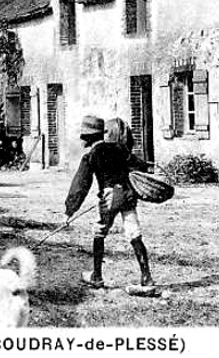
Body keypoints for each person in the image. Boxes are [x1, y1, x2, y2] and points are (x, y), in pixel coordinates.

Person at [64, 115, 154, 290]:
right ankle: (147, 278)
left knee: (99, 232)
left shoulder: (90, 156)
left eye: (83, 136)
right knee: (134, 233)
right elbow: (140, 166)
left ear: (88, 137)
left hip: (110, 198)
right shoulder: (119, 148)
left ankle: (97, 276)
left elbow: (80, 186)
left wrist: (69, 211)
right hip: (128, 195)